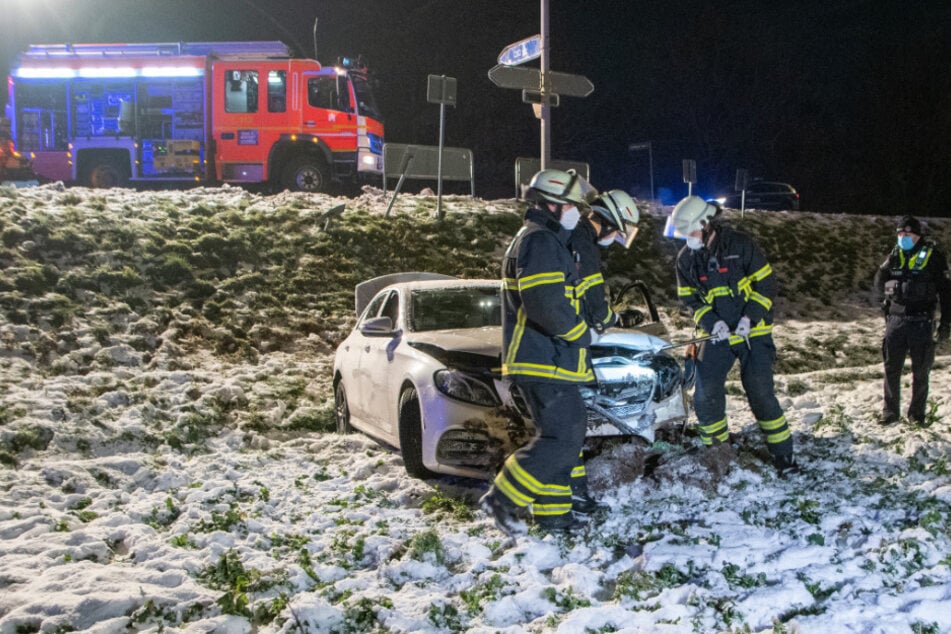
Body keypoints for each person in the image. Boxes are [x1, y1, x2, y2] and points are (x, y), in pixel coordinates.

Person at [480, 168, 597, 535]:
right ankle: (502, 499)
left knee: (562, 440)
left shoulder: (540, 240)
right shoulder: (541, 241)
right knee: (563, 439)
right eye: (575, 205)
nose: (579, 212)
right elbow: (546, 304)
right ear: (553, 203)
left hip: (549, 360)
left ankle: (555, 518)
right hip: (543, 360)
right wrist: (583, 334)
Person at [664, 196, 798, 477]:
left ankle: (784, 456)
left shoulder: (740, 244)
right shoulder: (686, 259)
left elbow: (767, 283)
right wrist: (712, 323)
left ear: (705, 223)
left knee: (760, 393)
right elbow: (690, 301)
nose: (687, 237)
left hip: (753, 334)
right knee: (705, 395)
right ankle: (717, 453)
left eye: (691, 230)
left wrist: (750, 317)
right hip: (716, 337)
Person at [567, 189, 640, 513]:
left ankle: (574, 498)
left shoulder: (570, 237)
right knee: (565, 430)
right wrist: (614, 318)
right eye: (619, 230)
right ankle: (510, 497)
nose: (617, 237)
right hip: (566, 346)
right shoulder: (584, 244)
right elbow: (595, 301)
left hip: (561, 343)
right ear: (610, 221)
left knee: (567, 429)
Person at [874, 215, 951, 426]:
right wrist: (883, 302)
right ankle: (890, 413)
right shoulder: (895, 255)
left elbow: (946, 292)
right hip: (896, 321)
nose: (903, 237)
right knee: (891, 368)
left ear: (917, 236)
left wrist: (946, 323)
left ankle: (917, 416)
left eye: (907, 234)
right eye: (900, 234)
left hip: (921, 322)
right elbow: (880, 280)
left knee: (921, 371)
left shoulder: (933, 257)